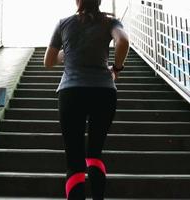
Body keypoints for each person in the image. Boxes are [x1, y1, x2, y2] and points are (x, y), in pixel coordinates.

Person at [44, 0, 129, 199]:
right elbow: (123, 42)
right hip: (104, 92)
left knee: (74, 162)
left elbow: (48, 61)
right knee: (94, 154)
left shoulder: (63, 23)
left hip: (71, 93)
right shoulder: (110, 22)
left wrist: (67, 54)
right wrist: (116, 69)